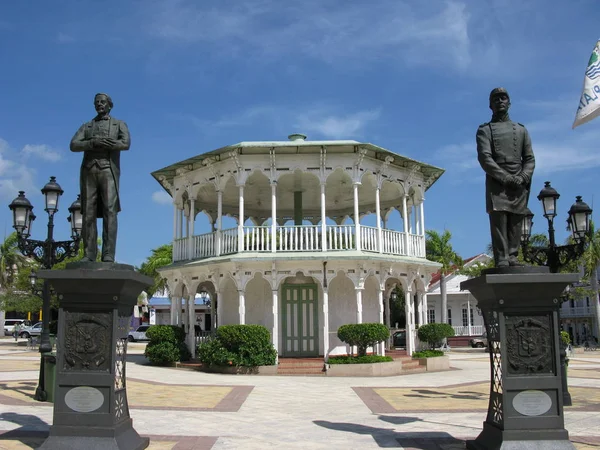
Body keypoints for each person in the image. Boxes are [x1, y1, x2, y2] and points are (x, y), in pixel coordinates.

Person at [476, 88, 535, 267]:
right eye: (496, 99)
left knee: (516, 219)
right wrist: (505, 177)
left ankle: (513, 256)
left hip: (519, 181)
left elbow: (530, 158)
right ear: (490, 105)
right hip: (498, 181)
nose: (500, 101)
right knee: (499, 220)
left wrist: (523, 176)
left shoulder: (521, 130)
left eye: (503, 98)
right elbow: (485, 158)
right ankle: (501, 258)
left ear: (509, 102)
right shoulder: (484, 130)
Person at [70, 93, 130, 262]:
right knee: (88, 212)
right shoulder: (87, 126)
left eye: (102, 102)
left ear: (109, 105)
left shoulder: (119, 124)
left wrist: (109, 144)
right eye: (97, 103)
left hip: (107, 170)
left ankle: (108, 253)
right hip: (89, 171)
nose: (99, 105)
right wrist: (92, 143)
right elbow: (74, 144)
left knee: (109, 211)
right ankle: (89, 254)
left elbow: (125, 143)